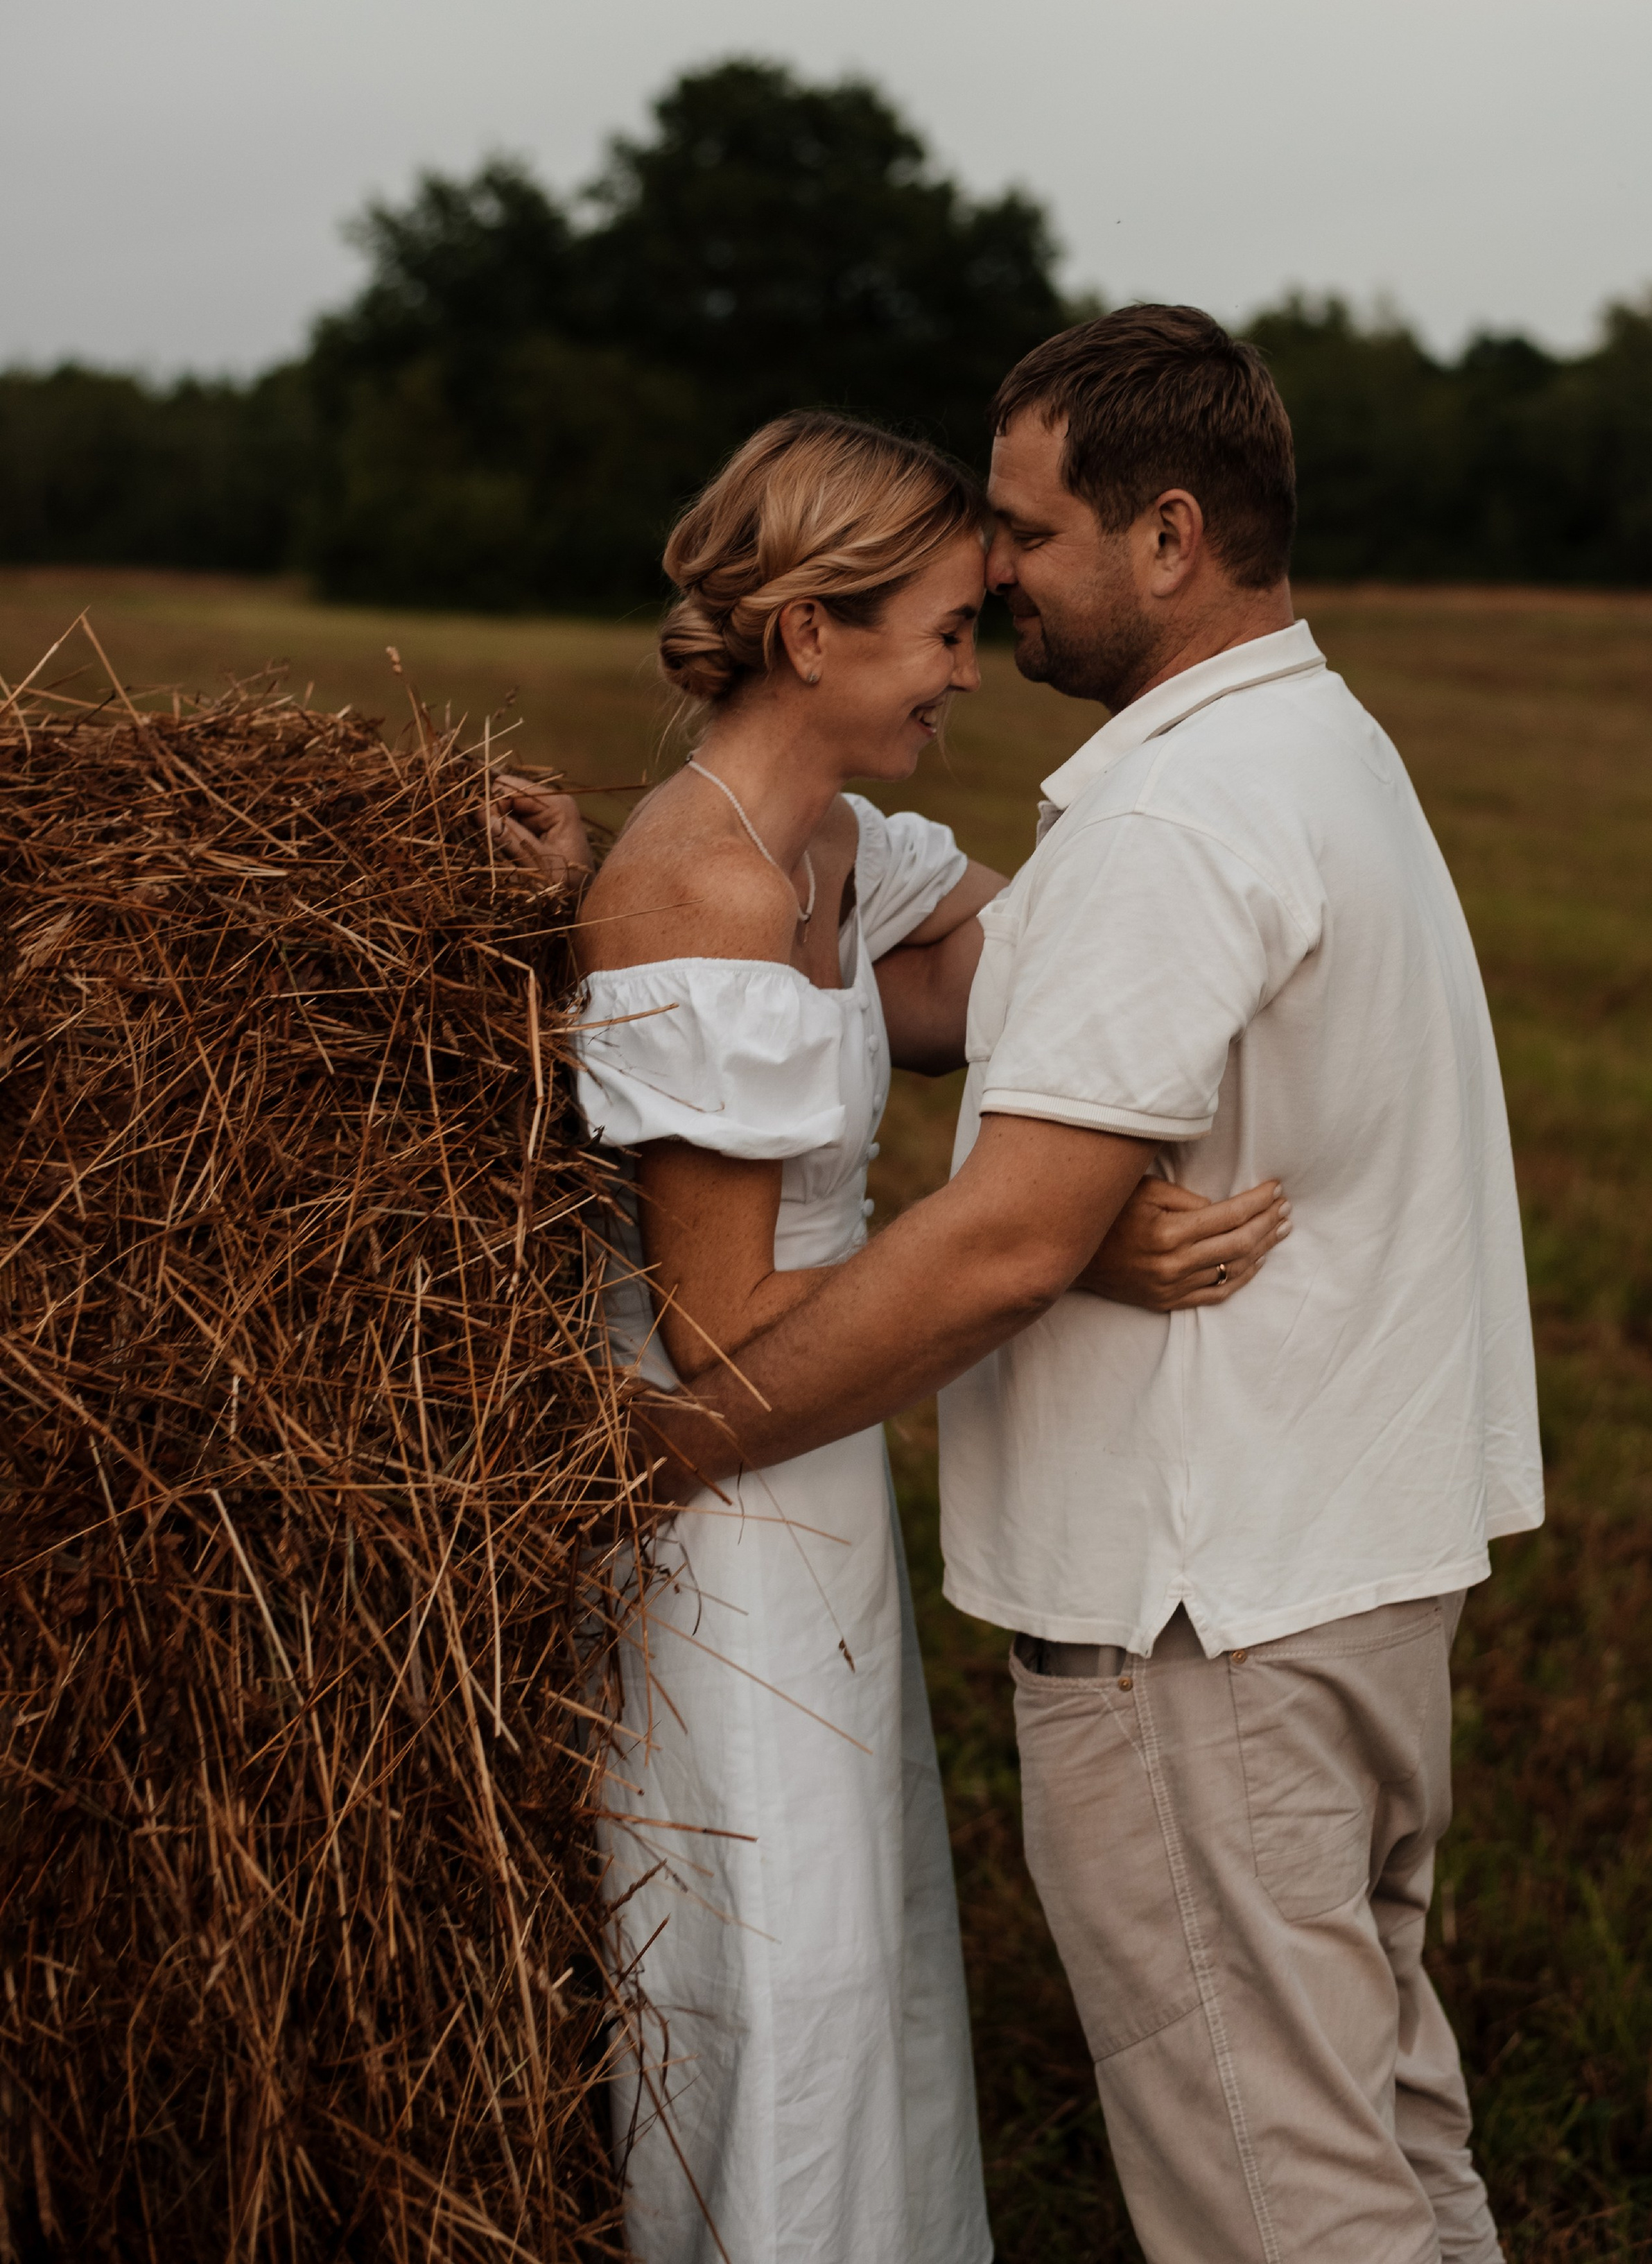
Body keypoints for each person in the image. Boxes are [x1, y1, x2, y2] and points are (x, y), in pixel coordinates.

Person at [640, 311, 1545, 2264]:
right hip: (1349, 1565)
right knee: (1383, 2138)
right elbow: (924, 1008)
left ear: (1167, 536)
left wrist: (661, 1444)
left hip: (1201, 1606)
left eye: (1032, 540)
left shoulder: (1173, 810)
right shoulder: (1310, 738)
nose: (1000, 578)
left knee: (1278, 2198)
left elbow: (1007, 1239)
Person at [494, 407, 1287, 2264]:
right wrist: (1051, 1243)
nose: (965, 669)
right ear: (810, 634)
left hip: (819, 1473)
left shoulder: (832, 851)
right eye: (941, 628)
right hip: (723, 1506)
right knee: (783, 1978)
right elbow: (721, 1329)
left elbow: (1040, 969)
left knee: (863, 1960)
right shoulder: (690, 894)